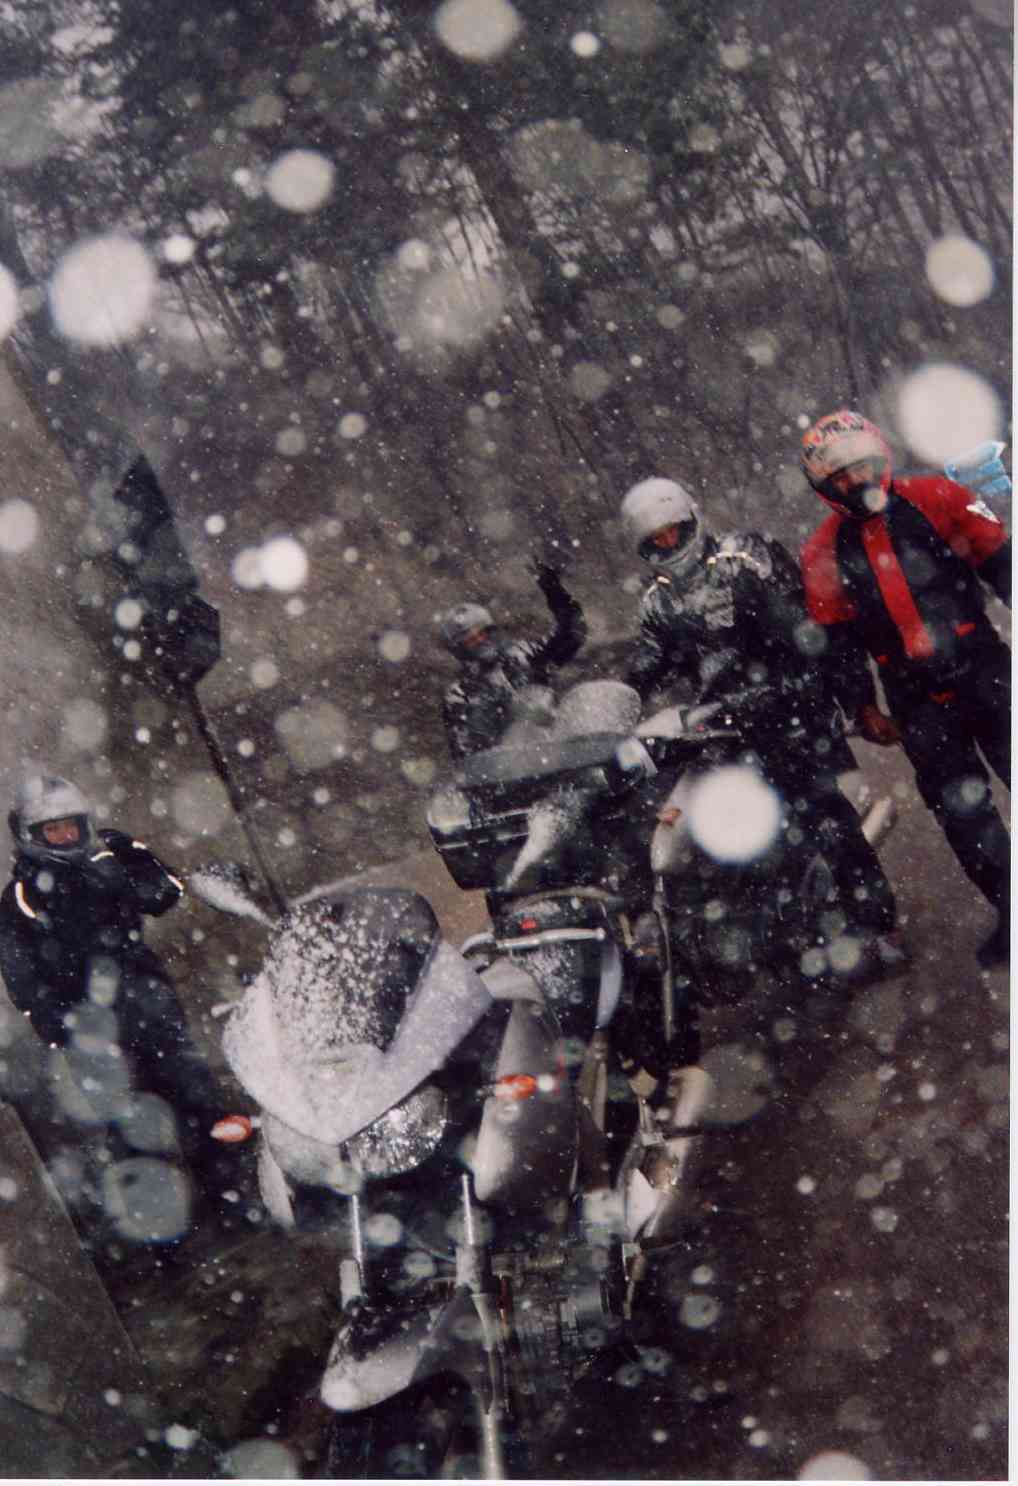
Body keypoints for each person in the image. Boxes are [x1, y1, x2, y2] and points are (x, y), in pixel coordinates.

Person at [620, 474, 903, 983]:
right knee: (720, 833)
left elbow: (800, 630)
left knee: (825, 821)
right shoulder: (657, 602)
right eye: (655, 540)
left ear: (692, 520)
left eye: (673, 531)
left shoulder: (744, 558)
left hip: (789, 715)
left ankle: (876, 927)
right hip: (720, 729)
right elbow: (648, 661)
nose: (668, 544)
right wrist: (622, 698)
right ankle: (758, 941)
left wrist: (790, 688)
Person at [798, 409, 1011, 968]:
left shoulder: (939, 496)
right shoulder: (822, 551)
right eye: (840, 477)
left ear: (882, 455)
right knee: (963, 814)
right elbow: (837, 643)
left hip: (985, 669)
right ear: (823, 487)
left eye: (862, 466)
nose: (856, 481)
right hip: (914, 698)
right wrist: (862, 705)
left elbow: (1002, 563)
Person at [0, 768, 249, 1235]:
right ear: (30, 834)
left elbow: (166, 891)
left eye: (71, 826)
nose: (65, 836)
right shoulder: (20, 897)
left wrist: (124, 871)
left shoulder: (112, 849)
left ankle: (234, 1200)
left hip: (149, 1004)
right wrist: (61, 1028)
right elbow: (22, 979)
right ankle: (161, 1230)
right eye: (53, 830)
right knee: (131, 1132)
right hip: (93, 1034)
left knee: (197, 1101)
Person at [438, 559, 587, 759]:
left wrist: (554, 591)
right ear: (460, 650)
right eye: (471, 640)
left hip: (559, 753)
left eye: (483, 633)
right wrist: (497, 710)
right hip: (511, 770)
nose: (480, 641)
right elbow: (466, 753)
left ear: (492, 631)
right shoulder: (459, 693)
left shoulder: (525, 655)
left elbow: (572, 634)